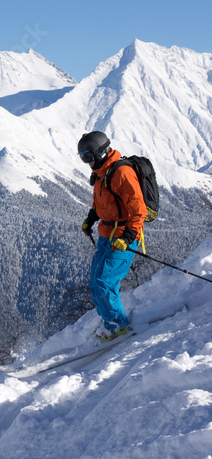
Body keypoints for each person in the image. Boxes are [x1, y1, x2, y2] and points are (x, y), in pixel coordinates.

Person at [77, 131, 147, 340]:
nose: (87, 163)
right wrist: (91, 218)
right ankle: (109, 319)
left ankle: (117, 325)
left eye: (88, 157)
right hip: (107, 234)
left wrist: (127, 238)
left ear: (101, 152)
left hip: (125, 236)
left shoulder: (121, 173)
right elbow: (102, 202)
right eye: (83, 159)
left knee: (104, 281)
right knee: (95, 281)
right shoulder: (101, 171)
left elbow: (139, 210)